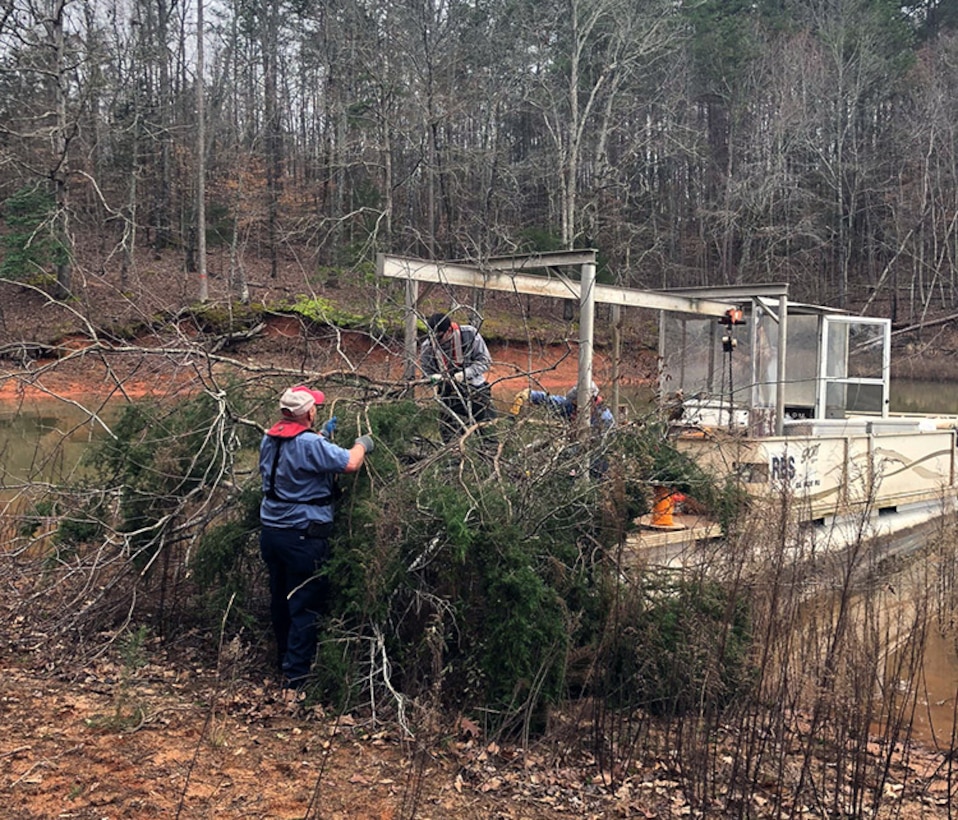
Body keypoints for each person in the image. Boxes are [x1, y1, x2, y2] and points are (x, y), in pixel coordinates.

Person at [258, 384, 374, 691]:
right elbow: (350, 463)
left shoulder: (269, 439)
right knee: (304, 603)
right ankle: (296, 678)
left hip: (271, 533)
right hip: (303, 536)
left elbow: (298, 453)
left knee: (280, 599)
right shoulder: (309, 443)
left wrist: (320, 436)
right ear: (308, 412)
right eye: (315, 408)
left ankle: (282, 661)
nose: (317, 411)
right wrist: (362, 444)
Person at [419, 312, 496, 441]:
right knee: (449, 432)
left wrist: (466, 374)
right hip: (449, 393)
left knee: (488, 428)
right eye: (432, 337)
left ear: (449, 330)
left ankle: (490, 455)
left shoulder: (469, 334)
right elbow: (426, 374)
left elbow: (485, 361)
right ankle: (454, 457)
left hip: (475, 388)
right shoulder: (427, 346)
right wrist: (434, 378)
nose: (435, 341)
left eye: (439, 337)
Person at [511, 380, 615, 432]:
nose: (573, 403)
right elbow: (554, 402)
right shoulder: (572, 407)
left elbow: (598, 446)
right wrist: (531, 395)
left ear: (590, 400)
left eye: (575, 401)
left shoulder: (604, 419)